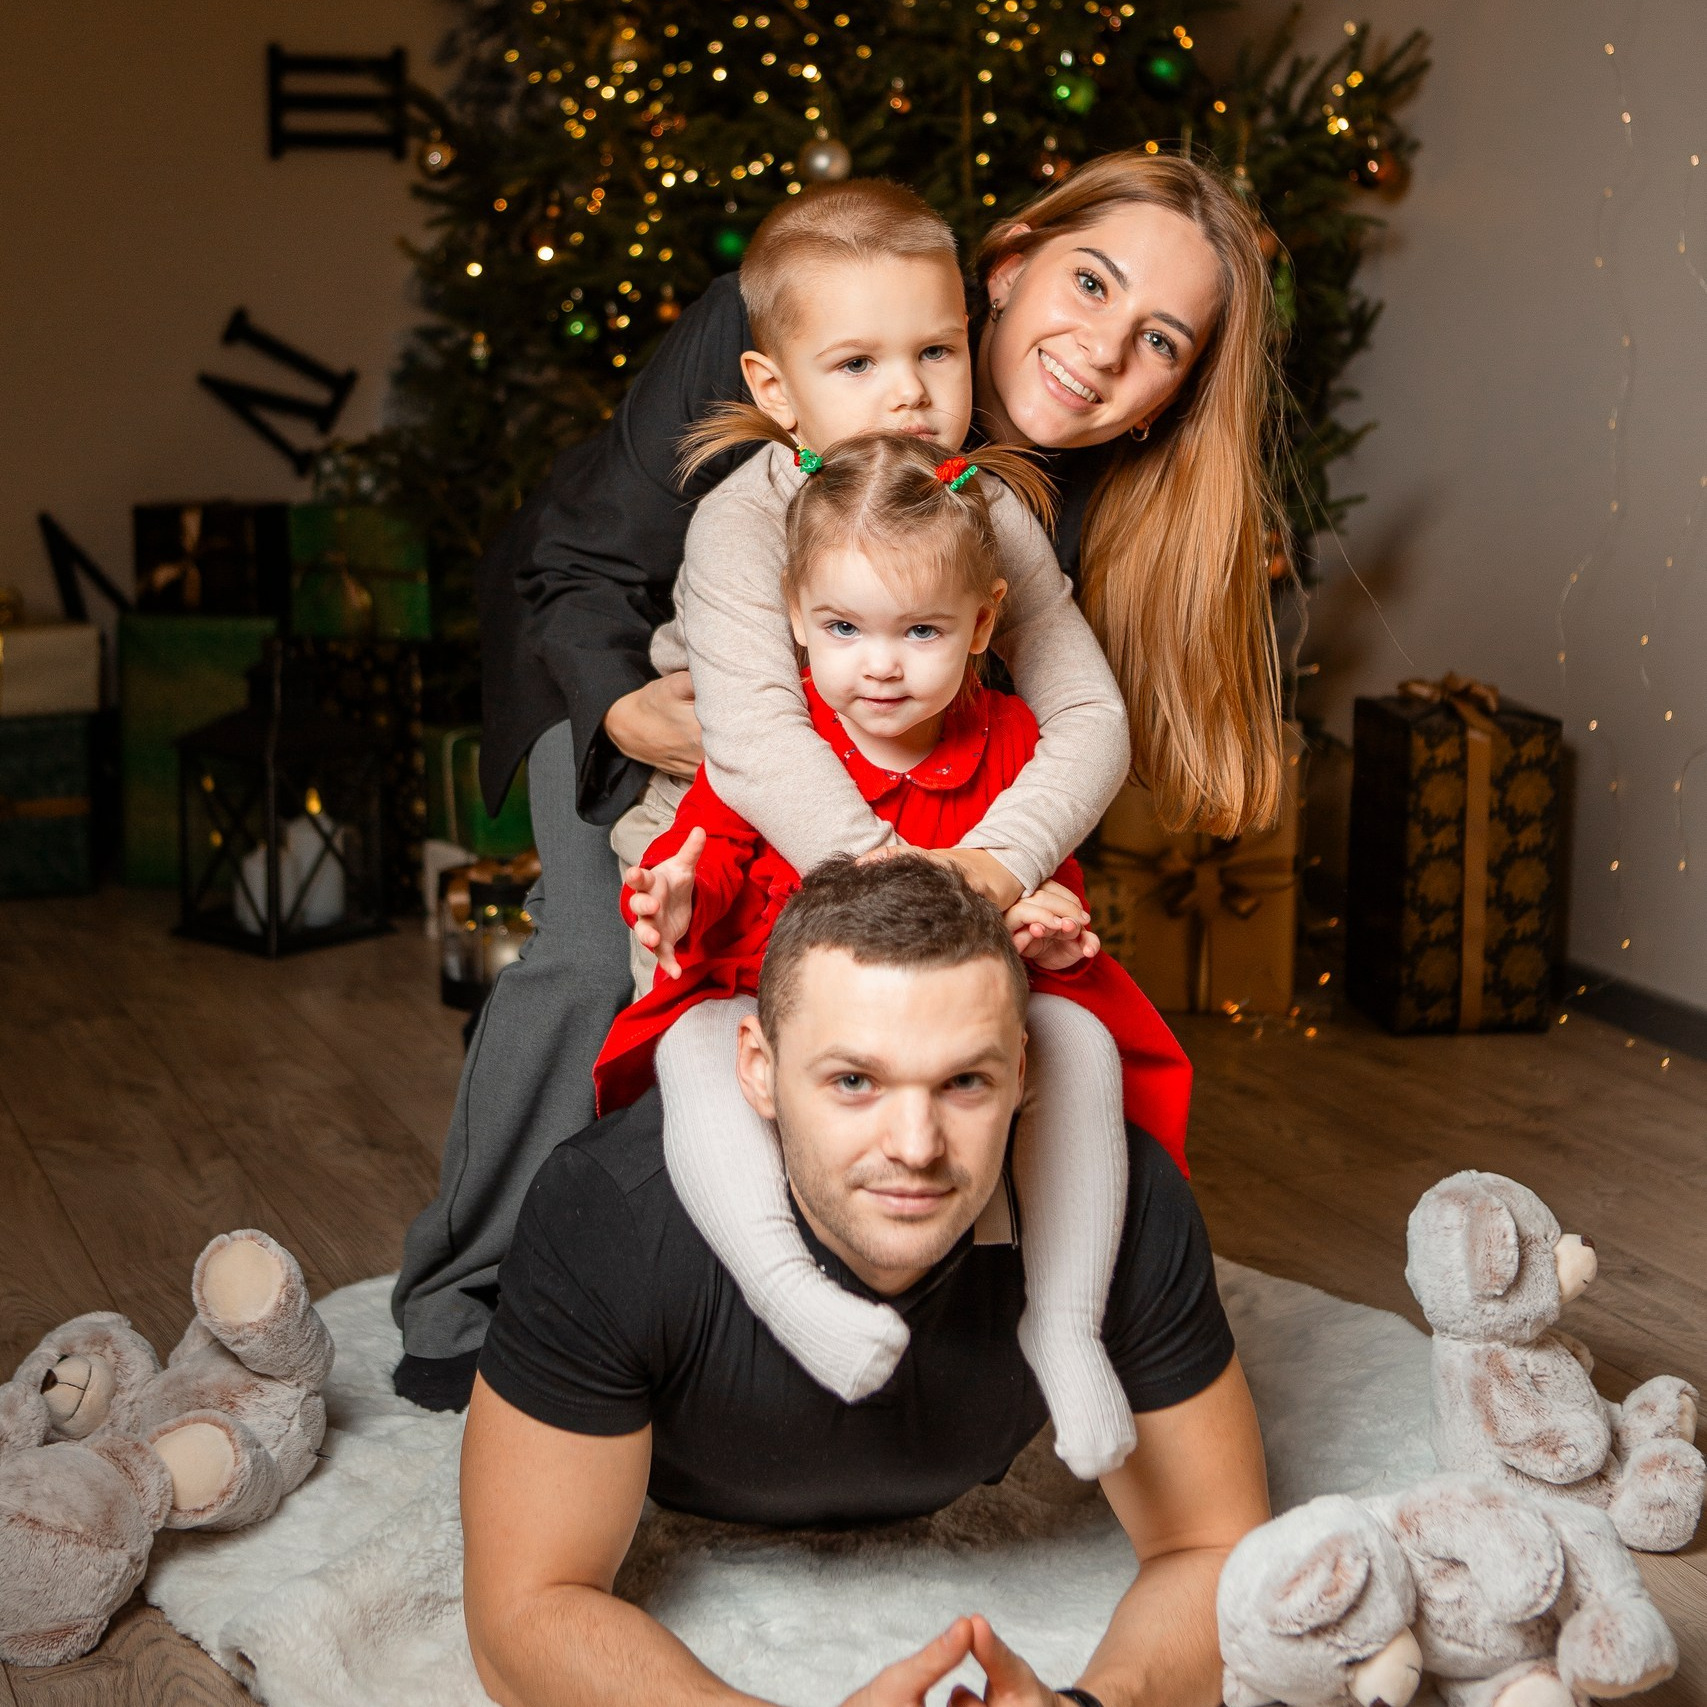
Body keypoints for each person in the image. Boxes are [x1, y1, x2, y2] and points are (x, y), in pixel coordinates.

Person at [393, 152, 1284, 1411]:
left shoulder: (1024, 504)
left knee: (983, 1010)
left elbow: (1069, 720)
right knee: (601, 958)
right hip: (639, 686)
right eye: (1090, 283)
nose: (1099, 349)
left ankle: (972, 1290)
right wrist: (626, 706)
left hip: (887, 778)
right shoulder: (809, 318)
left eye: (1159, 341)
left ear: (1171, 394)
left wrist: (986, 871)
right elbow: (589, 560)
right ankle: (471, 1286)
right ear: (1012, 263)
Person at [461, 856, 1271, 1707]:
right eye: (854, 1080)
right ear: (758, 1070)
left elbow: (1215, 1546)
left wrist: (1092, 1705)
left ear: (1023, 1072)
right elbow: (525, 1609)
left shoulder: (1118, 1199)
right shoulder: (611, 1210)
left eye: (965, 1081)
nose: (915, 1145)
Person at [599, 425, 1194, 1478]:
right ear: (795, 619)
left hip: (947, 1035)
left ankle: (1063, 1323)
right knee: (697, 1051)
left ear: (982, 624)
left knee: (1083, 1046)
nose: (880, 664)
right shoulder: (777, 751)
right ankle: (787, 1289)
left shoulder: (1013, 742)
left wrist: (1048, 929)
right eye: (843, 627)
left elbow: (1043, 913)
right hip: (780, 1004)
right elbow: (719, 855)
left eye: (921, 630)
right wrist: (682, 894)